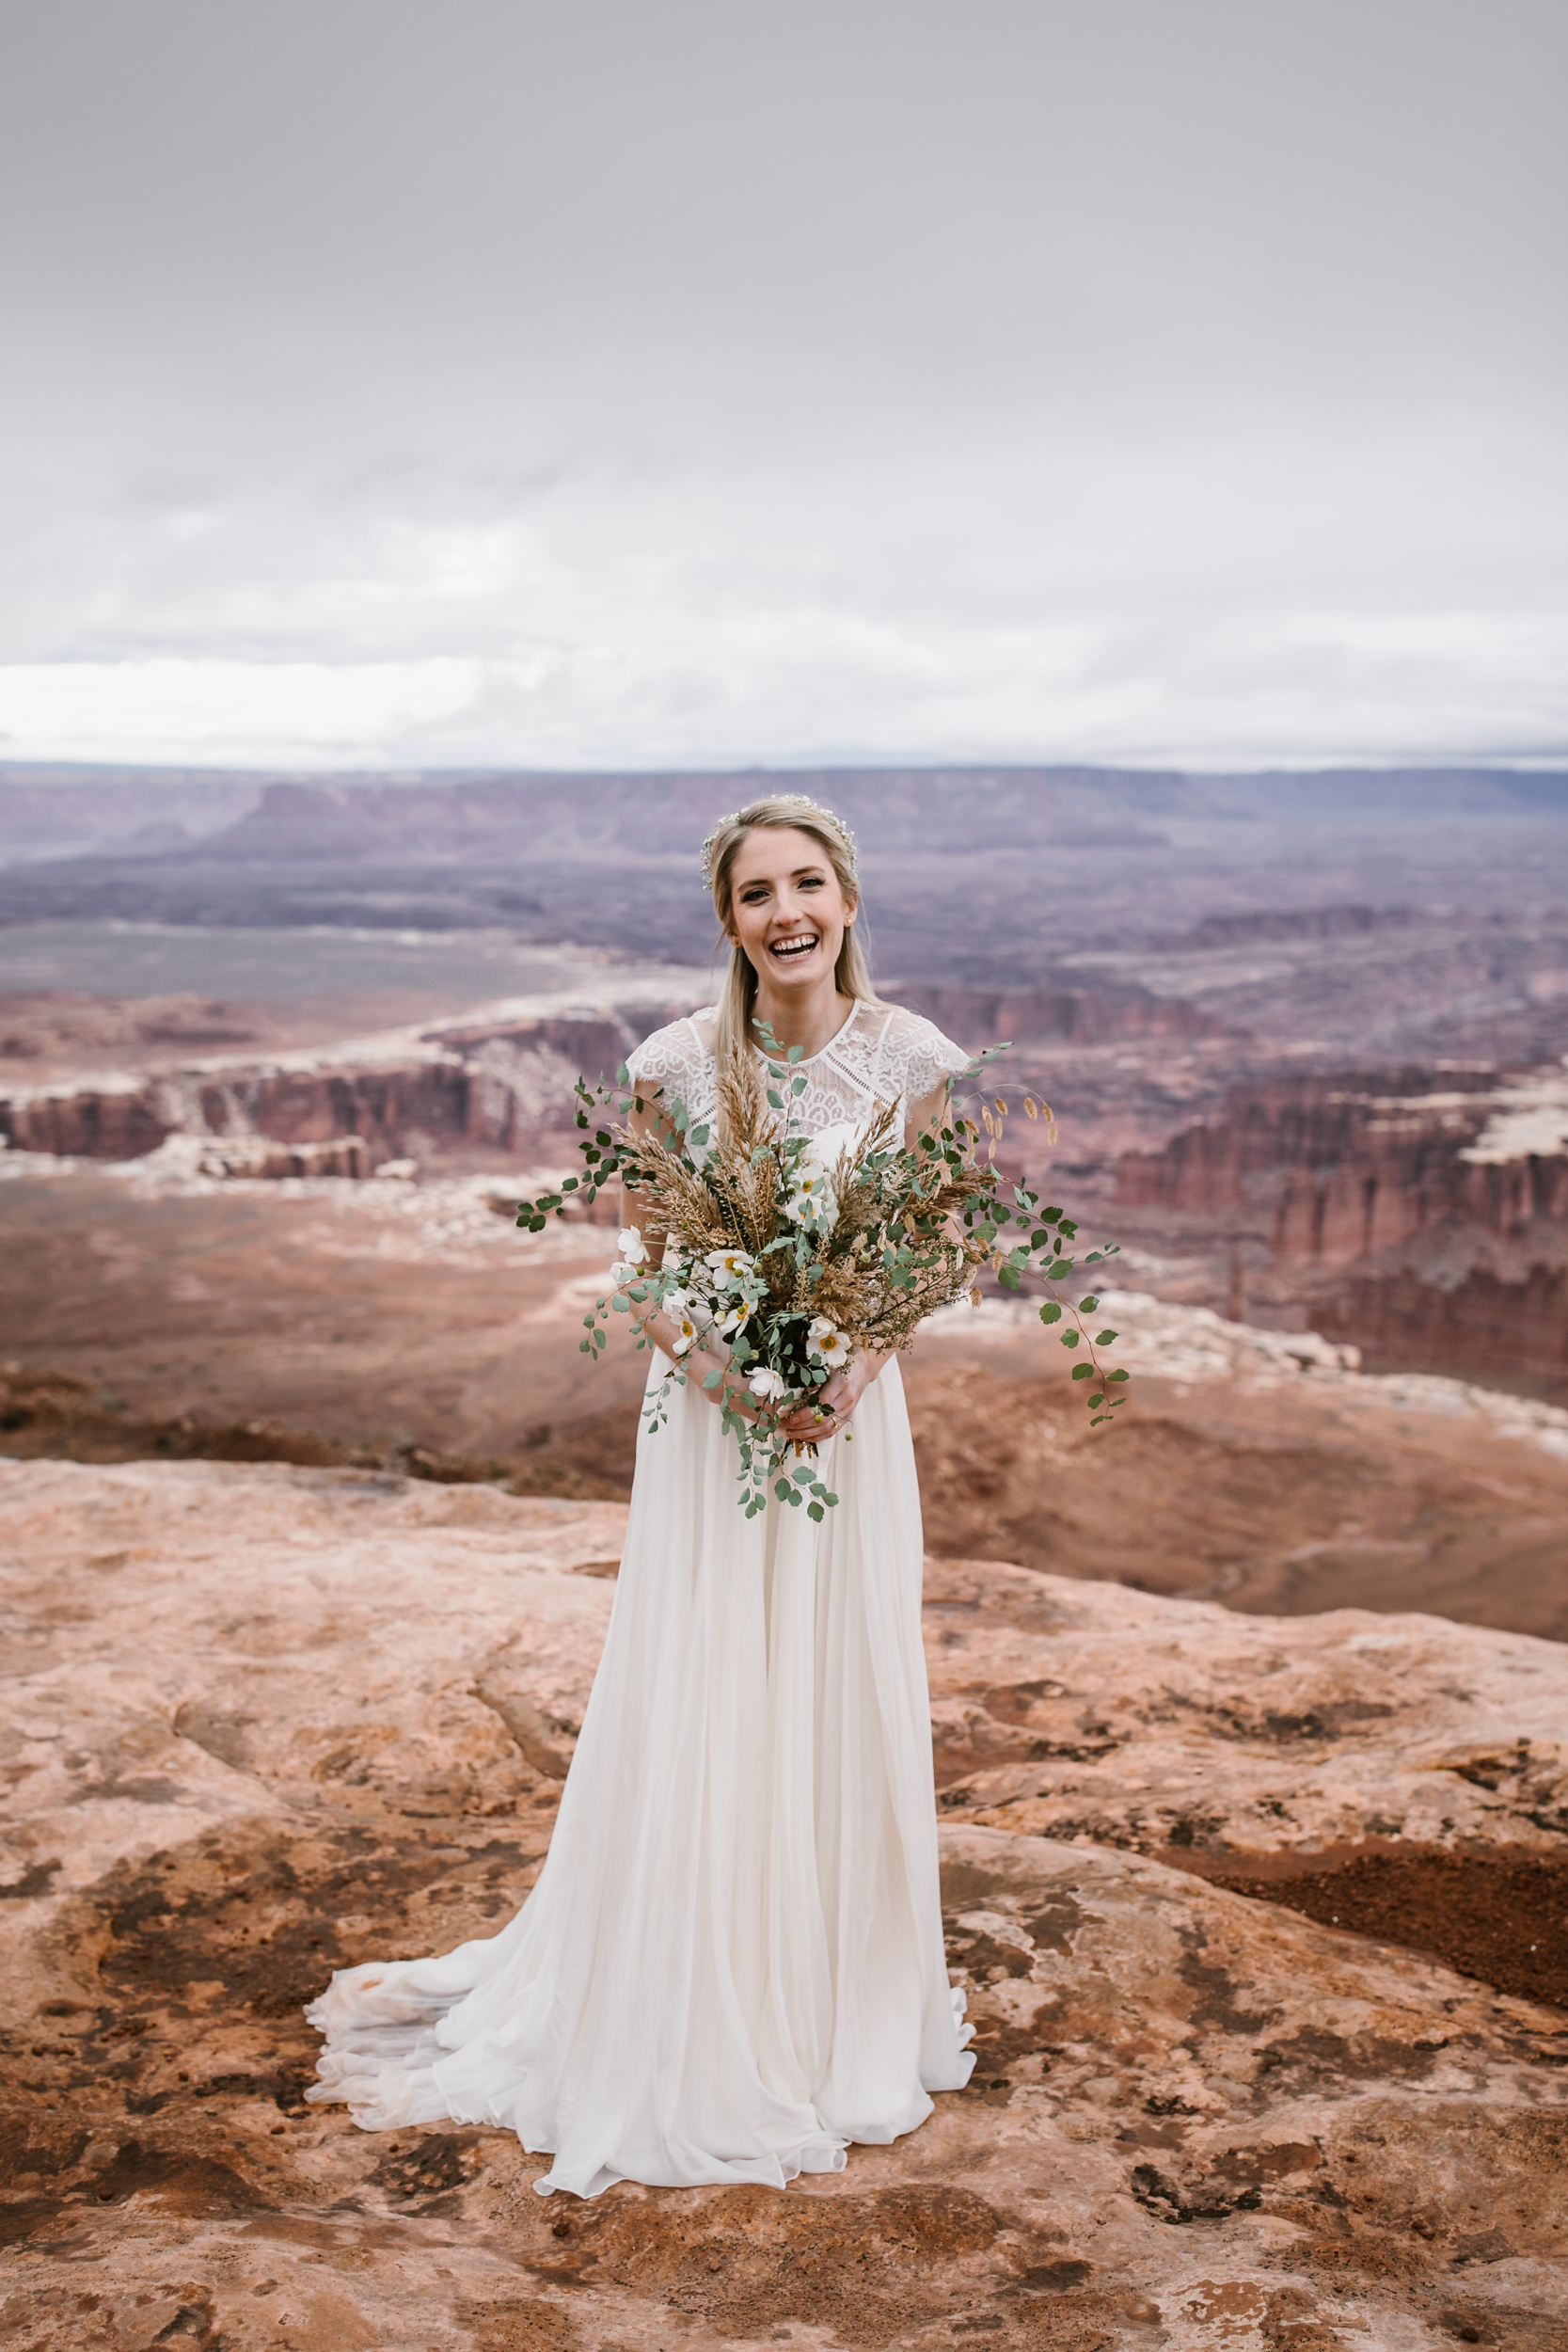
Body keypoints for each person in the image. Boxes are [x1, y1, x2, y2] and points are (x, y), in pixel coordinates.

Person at [306, 794, 977, 2198]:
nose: (785, 914)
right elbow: (651, 1266)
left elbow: (939, 1243)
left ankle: (832, 2013)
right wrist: (741, 1387)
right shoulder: (676, 1066)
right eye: (755, 895)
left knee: (836, 1686)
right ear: (726, 920)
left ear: (851, 897)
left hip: (849, 1422)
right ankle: (693, 2011)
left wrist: (844, 1380)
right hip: (715, 1425)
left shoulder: (916, 1059)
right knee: (714, 1685)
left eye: (807, 884)